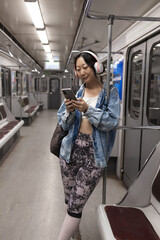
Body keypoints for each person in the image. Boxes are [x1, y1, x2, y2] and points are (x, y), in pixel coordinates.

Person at [57, 50, 120, 240]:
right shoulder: (77, 92)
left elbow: (111, 121)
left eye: (85, 67)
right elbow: (63, 123)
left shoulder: (110, 92)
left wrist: (88, 109)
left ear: (96, 67)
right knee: (70, 200)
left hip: (94, 155)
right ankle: (76, 235)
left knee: (76, 203)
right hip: (70, 151)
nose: (82, 72)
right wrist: (69, 112)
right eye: (78, 69)